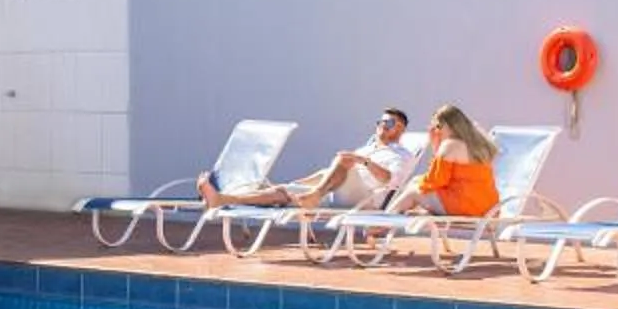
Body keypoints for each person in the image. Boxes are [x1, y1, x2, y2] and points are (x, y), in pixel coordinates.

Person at [199, 108, 418, 212]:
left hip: (364, 199)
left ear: (400, 129)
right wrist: (300, 183)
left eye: (388, 123)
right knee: (284, 191)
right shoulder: (368, 148)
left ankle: (315, 195)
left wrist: (363, 161)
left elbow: (390, 179)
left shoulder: (402, 154)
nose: (381, 125)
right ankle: (223, 199)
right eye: (379, 121)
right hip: (336, 190)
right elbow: (329, 173)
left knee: (344, 160)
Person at [408, 105, 503, 216]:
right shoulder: (477, 144)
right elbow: (449, 179)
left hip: (467, 207)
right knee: (415, 182)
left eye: (438, 126)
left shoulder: (450, 144)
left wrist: (435, 147)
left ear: (448, 125)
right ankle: (389, 221)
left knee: (412, 193)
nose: (436, 131)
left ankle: (385, 223)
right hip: (487, 208)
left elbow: (435, 181)